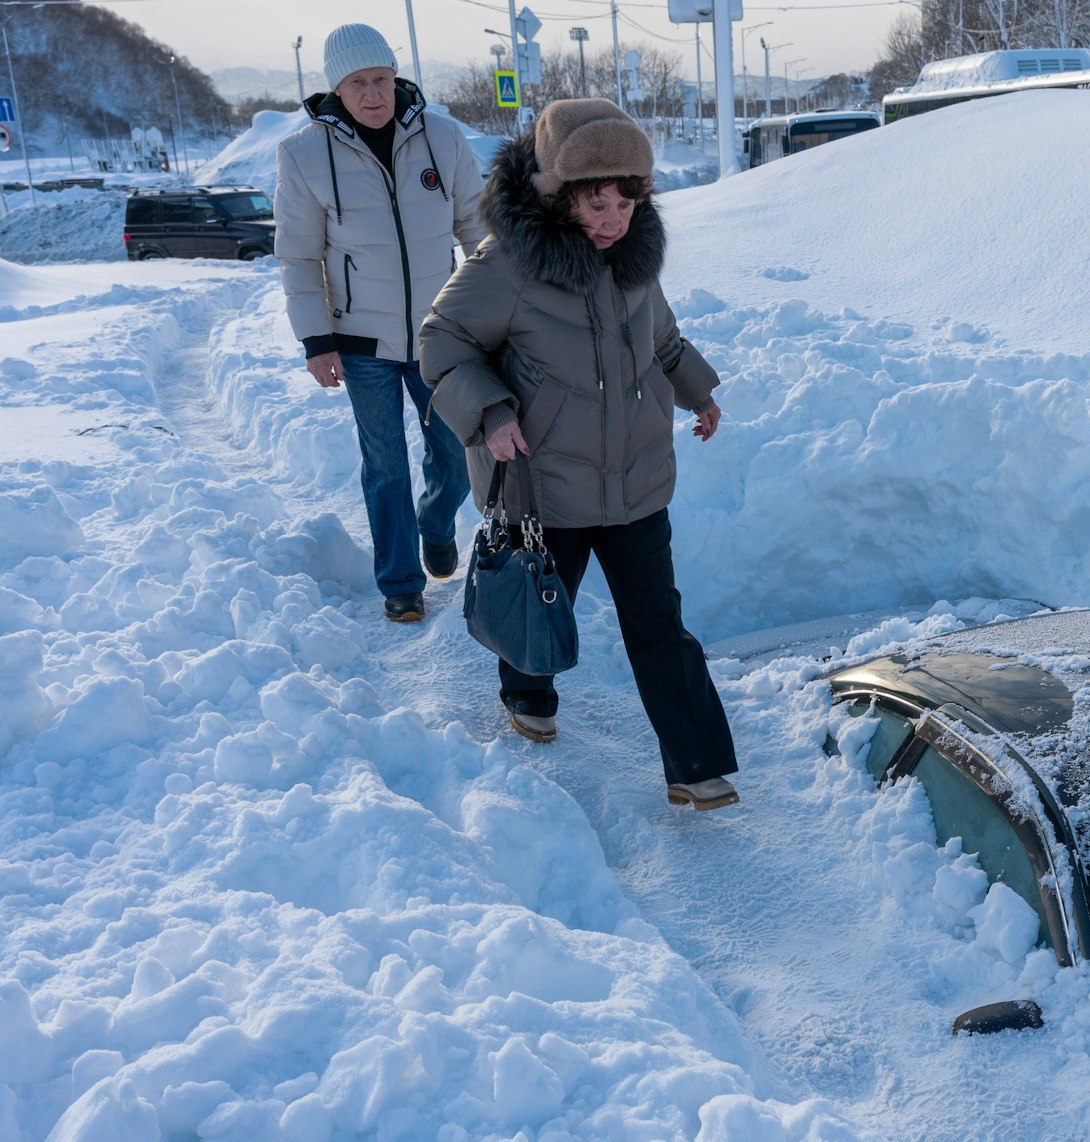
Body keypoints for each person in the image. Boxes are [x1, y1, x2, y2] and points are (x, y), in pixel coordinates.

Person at [419, 100, 740, 811]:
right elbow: (441, 341)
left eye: (628, 203)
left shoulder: (634, 260)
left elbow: (662, 339)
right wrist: (491, 411)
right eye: (598, 204)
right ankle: (526, 692)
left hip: (636, 480)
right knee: (540, 600)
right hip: (544, 482)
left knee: (659, 623)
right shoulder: (507, 265)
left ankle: (695, 764)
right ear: (558, 193)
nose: (615, 220)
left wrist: (699, 391)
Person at [274, 24, 486, 622]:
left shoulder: (442, 137)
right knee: (386, 463)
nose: (373, 94)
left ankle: (435, 524)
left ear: (397, 78)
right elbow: (298, 256)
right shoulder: (303, 154)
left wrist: (497, 310)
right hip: (360, 342)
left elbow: (478, 228)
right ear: (336, 90)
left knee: (455, 452)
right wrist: (316, 340)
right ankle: (400, 582)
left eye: (382, 79)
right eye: (358, 83)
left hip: (440, 335)